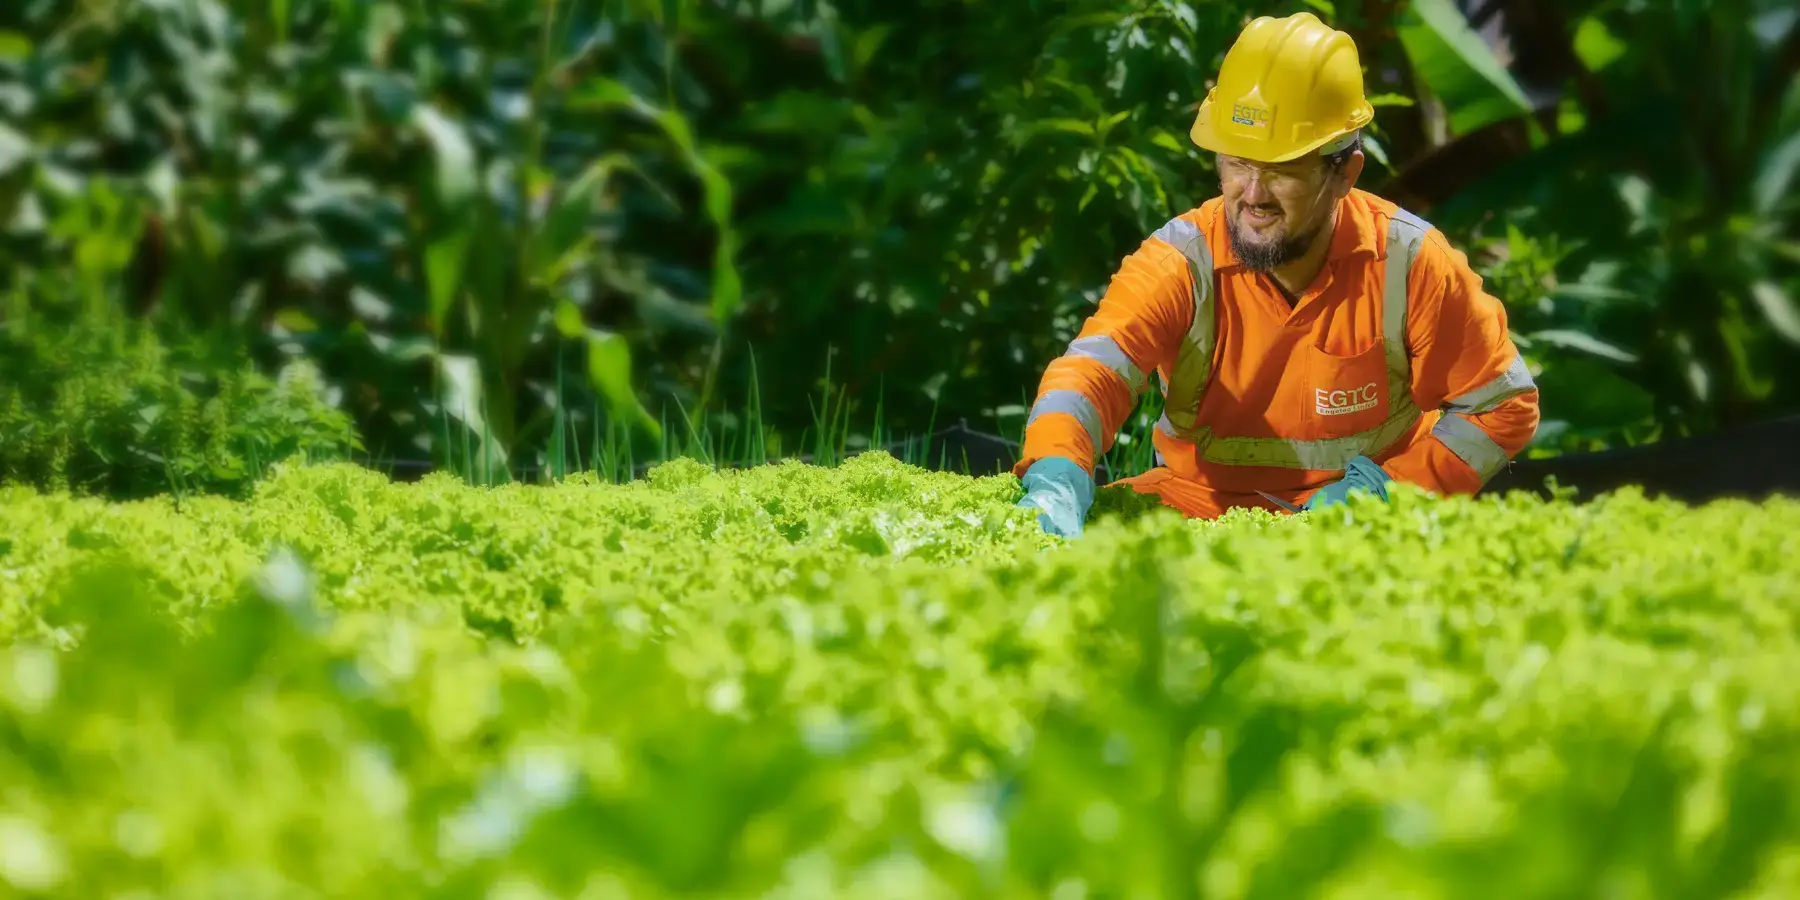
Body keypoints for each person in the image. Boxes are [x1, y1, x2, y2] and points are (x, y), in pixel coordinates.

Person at [1015, 11, 1540, 537]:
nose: (1253, 194)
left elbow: (1503, 403)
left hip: (1363, 526)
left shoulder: (1411, 262)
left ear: (1346, 174)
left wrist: (1384, 494)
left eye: (1282, 169)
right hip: (1195, 508)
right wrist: (1058, 475)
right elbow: (1088, 377)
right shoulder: (1179, 261)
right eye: (1238, 162)